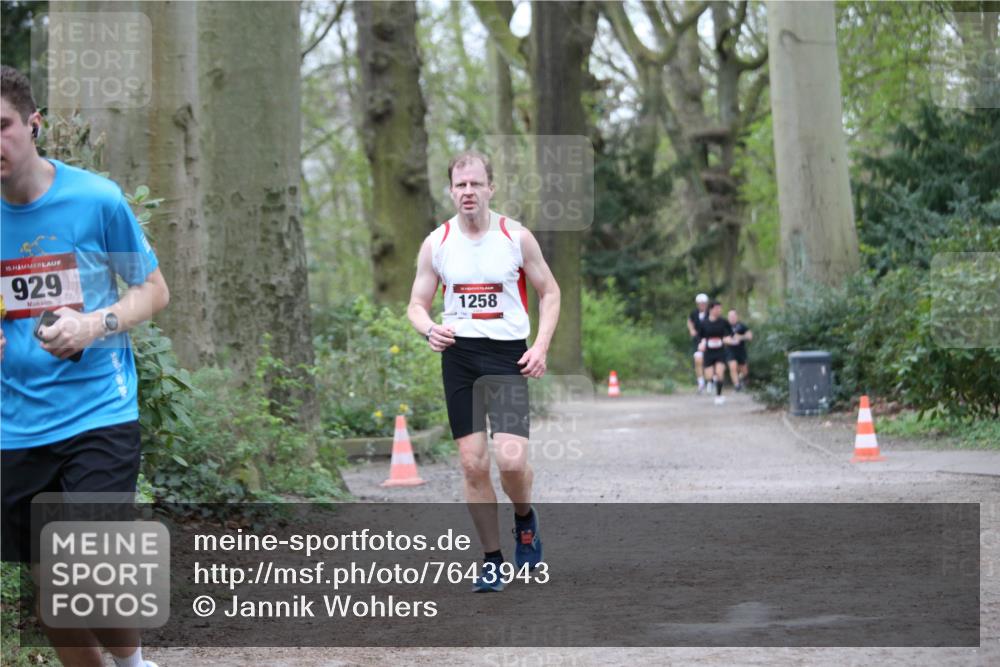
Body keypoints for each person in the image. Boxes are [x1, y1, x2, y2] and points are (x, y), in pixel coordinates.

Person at [1, 66, 168, 667]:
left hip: (99, 411)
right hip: (16, 426)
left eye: (2, 126)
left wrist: (95, 325)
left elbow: (153, 290)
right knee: (51, 593)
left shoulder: (97, 200)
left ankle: (132, 663)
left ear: (34, 124)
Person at [408, 150, 560, 592]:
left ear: (491, 187)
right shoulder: (437, 242)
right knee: (472, 464)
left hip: (507, 356)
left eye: (476, 183)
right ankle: (492, 559)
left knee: (511, 460)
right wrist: (429, 328)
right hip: (460, 357)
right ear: (451, 191)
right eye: (461, 185)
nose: (468, 191)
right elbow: (416, 304)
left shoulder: (515, 236)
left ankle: (525, 520)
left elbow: (550, 292)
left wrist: (540, 346)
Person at [697, 300, 738, 405]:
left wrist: (727, 339)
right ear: (711, 309)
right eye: (716, 308)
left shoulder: (723, 322)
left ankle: (718, 396)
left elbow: (730, 335)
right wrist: (701, 344)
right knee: (709, 375)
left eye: (720, 308)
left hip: (720, 351)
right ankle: (710, 381)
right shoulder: (704, 323)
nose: (719, 310)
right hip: (708, 352)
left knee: (720, 373)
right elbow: (700, 337)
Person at [725, 309, 753, 391]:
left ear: (736, 316)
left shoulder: (742, 326)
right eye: (730, 316)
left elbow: (750, 336)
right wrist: (731, 341)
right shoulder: (725, 326)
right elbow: (723, 339)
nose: (732, 317)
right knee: (732, 366)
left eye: (733, 316)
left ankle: (744, 380)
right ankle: (737, 385)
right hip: (730, 351)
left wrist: (740, 337)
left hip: (741, 351)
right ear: (728, 317)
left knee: (744, 370)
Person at [687, 293, 710, 393]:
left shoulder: (710, 313)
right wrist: (691, 330)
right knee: (698, 360)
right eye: (700, 303)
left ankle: (710, 382)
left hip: (709, 341)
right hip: (698, 341)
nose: (702, 305)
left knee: (708, 362)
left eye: (704, 303)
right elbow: (689, 321)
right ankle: (701, 383)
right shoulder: (694, 313)